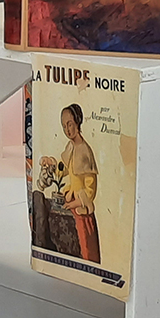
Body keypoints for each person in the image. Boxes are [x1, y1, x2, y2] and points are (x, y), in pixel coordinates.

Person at [59, 104, 101, 263]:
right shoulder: (70, 146)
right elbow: (64, 169)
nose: (67, 130)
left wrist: (77, 202)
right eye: (64, 126)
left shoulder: (85, 151)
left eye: (69, 124)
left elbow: (90, 190)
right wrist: (51, 163)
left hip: (82, 210)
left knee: (85, 249)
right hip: (71, 202)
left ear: (77, 122)